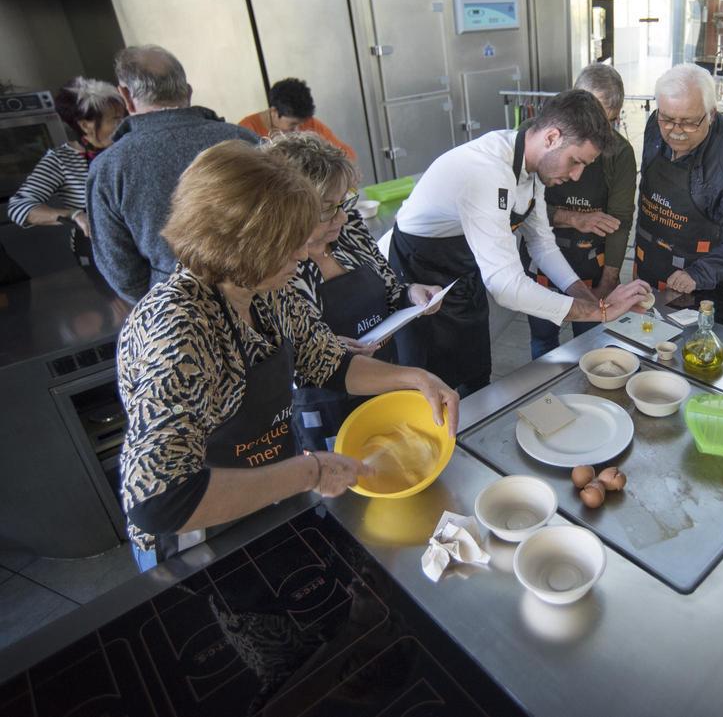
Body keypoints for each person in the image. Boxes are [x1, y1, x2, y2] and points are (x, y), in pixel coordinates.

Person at [117, 141, 458, 571]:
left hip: (271, 484)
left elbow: (327, 361)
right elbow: (159, 500)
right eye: (288, 243)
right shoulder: (178, 326)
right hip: (198, 532)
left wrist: (415, 378)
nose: (302, 255)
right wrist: (310, 473)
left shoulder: (268, 291)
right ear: (240, 244)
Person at [389, 89, 652, 395]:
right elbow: (507, 287)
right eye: (576, 162)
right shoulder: (488, 171)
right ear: (552, 138)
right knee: (430, 387)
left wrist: (592, 299)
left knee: (474, 375)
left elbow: (542, 243)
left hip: (461, 274)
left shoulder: (528, 167)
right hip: (417, 274)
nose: (578, 176)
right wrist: (601, 313)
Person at [261, 132, 443, 453]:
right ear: (288, 210)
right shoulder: (274, 270)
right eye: (328, 209)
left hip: (386, 375)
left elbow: (389, 288)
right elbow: (283, 361)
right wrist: (325, 351)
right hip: (324, 404)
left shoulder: (348, 227)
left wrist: (410, 293)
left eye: (344, 202)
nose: (343, 216)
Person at [88, 45, 260, 303]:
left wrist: (165, 301)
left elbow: (120, 270)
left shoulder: (109, 167)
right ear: (188, 92)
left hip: (178, 308)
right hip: (263, 296)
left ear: (125, 95)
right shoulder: (245, 140)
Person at [636, 63, 723, 323]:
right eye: (667, 119)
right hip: (647, 267)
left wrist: (700, 273)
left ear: (711, 114)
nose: (675, 130)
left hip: (699, 284)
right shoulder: (657, 123)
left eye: (688, 122)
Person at [523, 64, 637, 358]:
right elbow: (526, 212)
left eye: (609, 121)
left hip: (592, 268)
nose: (599, 133)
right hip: (544, 266)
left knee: (592, 348)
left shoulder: (620, 153)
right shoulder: (541, 143)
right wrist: (573, 218)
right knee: (544, 343)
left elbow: (620, 222)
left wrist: (608, 281)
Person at [7, 77, 126, 265]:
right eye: (116, 119)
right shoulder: (61, 159)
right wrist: (74, 215)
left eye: (123, 116)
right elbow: (20, 207)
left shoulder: (127, 148)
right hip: (99, 253)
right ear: (85, 124)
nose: (124, 124)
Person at [239, 77, 356, 160]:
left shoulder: (308, 123)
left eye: (301, 123)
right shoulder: (246, 131)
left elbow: (347, 155)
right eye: (292, 124)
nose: (298, 130)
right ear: (274, 112)